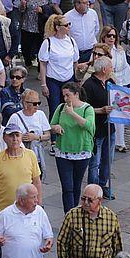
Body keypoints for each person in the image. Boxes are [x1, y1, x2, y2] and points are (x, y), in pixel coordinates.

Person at [51, 81, 96, 212]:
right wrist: (55, 127)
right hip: (63, 151)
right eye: (63, 96)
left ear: (76, 94)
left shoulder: (88, 109)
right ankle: (68, 214)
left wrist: (72, 113)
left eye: (68, 95)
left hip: (81, 151)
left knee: (76, 185)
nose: (65, 99)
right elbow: (51, 125)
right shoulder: (60, 108)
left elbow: (88, 125)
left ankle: (75, 212)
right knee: (67, 187)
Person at [0, 124, 43, 224]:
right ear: (4, 138)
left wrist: (39, 205)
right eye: (11, 135)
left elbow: (37, 182)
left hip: (26, 209)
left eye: (17, 135)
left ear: (21, 137)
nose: (15, 139)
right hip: (2, 210)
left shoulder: (30, 155)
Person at [83, 55, 116, 199]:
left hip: (109, 127)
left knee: (108, 160)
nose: (112, 69)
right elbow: (84, 108)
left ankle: (103, 186)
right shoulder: (88, 85)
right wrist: (100, 110)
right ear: (103, 69)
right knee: (94, 163)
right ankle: (93, 190)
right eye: (110, 67)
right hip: (96, 129)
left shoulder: (109, 82)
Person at [39, 15, 79, 119]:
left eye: (69, 24)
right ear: (57, 27)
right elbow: (43, 64)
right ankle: (54, 134)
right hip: (53, 80)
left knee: (69, 108)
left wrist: (77, 79)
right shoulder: (48, 42)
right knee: (55, 110)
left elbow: (75, 62)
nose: (68, 27)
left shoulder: (71, 41)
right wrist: (44, 84)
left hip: (69, 79)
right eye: (66, 25)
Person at [5, 88, 51, 175]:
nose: (37, 106)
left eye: (38, 103)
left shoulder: (40, 114)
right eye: (34, 103)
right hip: (20, 157)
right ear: (25, 103)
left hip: (37, 156)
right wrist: (21, 137)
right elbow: (7, 137)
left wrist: (36, 137)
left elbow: (48, 135)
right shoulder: (15, 117)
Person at [18, 0, 52, 67]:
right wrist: (22, 5)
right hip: (27, 25)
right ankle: (28, 63)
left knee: (41, 48)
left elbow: (52, 9)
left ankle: (40, 68)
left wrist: (43, 10)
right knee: (26, 47)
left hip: (41, 26)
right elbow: (21, 9)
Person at [65, 0, 101, 64]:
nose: (88, 5)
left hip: (91, 51)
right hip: (75, 53)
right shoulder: (67, 17)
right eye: (85, 3)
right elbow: (66, 35)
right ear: (77, 4)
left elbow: (97, 29)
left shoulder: (93, 13)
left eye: (88, 2)